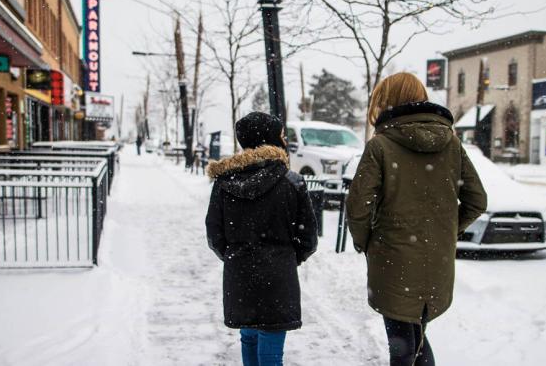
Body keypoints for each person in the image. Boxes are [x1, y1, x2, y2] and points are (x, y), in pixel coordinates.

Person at [346, 73, 487, 366]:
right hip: (435, 261)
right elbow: (477, 201)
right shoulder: (451, 143)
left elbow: (358, 206)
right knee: (417, 336)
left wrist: (367, 243)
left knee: (402, 343)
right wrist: (446, 231)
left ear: (385, 102)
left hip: (392, 258)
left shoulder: (380, 146)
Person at [205, 112, 318, 366]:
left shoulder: (224, 183)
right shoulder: (292, 182)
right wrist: (288, 257)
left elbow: (214, 233)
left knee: (249, 338)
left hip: (240, 275)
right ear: (271, 140)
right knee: (271, 350)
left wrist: (236, 255)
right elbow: (308, 237)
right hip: (278, 278)